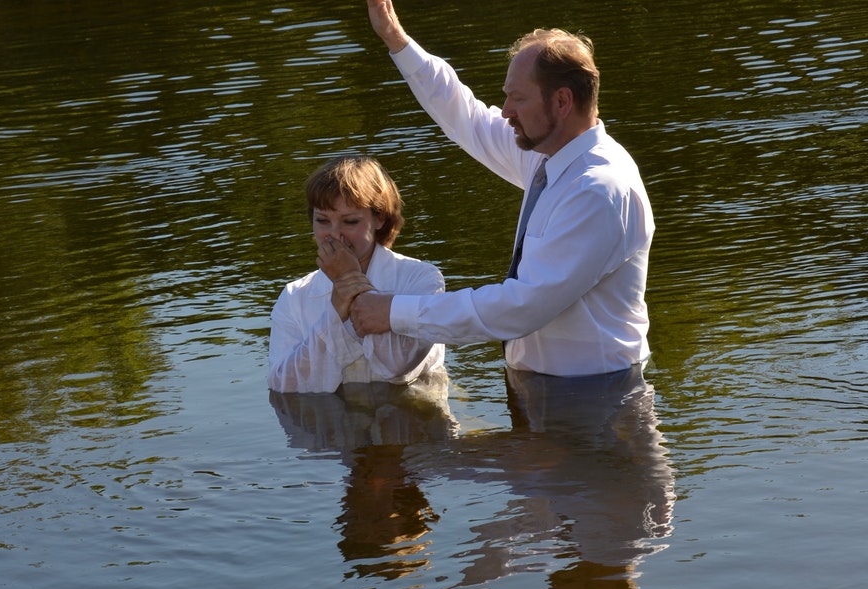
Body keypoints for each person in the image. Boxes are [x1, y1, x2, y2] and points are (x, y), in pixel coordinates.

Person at [352, 0, 655, 377]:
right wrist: (395, 38)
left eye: (519, 97)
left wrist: (394, 311)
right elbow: (465, 115)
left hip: (598, 399)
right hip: (553, 391)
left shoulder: (598, 190)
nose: (507, 110)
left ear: (562, 101)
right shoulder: (549, 155)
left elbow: (521, 307)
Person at [267, 154, 445, 393]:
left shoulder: (421, 279)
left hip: (415, 418)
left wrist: (351, 284)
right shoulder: (295, 295)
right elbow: (283, 385)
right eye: (322, 221)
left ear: (379, 218)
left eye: (350, 222)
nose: (335, 235)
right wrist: (334, 316)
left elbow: (399, 367)